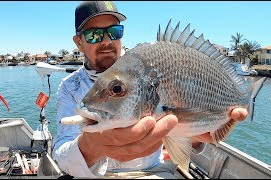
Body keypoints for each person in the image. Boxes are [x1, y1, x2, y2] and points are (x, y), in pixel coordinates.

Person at [52, 1, 248, 178]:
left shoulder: (145, 70)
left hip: (152, 172)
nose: (106, 41)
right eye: (93, 35)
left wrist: (194, 135)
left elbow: (183, 133)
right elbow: (61, 152)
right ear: (79, 43)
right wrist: (89, 148)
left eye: (114, 32)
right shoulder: (70, 86)